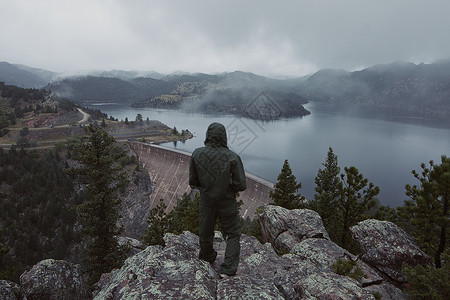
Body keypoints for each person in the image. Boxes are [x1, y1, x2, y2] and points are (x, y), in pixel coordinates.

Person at [189, 122, 247, 276]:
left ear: (208, 135)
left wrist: (208, 186)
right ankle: (228, 268)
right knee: (233, 232)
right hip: (226, 200)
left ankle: (207, 256)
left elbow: (193, 182)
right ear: (224, 137)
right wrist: (227, 186)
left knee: (205, 230)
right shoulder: (232, 157)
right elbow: (241, 184)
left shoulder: (197, 153)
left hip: (207, 199)